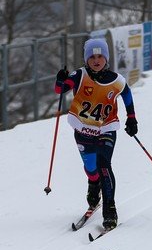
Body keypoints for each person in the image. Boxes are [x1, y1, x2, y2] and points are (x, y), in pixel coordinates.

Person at [55, 38, 138, 228]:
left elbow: (126, 94)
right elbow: (60, 90)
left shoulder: (116, 80)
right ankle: (94, 185)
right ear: (86, 59)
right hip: (83, 129)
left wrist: (131, 117)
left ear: (106, 58)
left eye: (100, 56)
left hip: (106, 129)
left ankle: (110, 210)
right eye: (92, 57)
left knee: (103, 165)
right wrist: (60, 79)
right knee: (91, 169)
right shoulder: (79, 75)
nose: (96, 60)